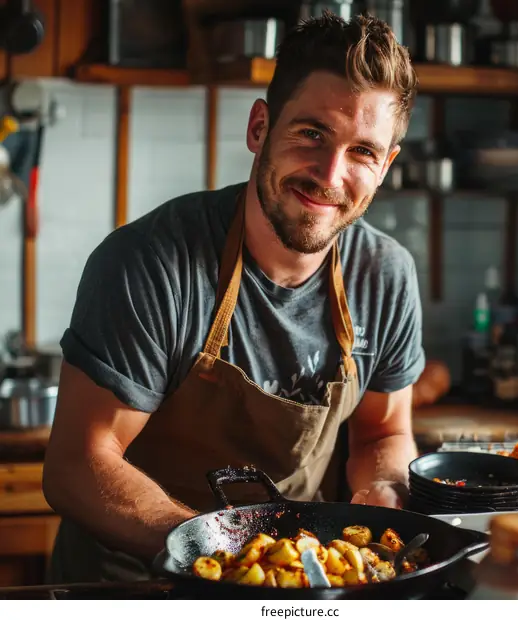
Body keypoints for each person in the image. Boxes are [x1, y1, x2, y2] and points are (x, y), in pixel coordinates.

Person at [42, 11, 425, 583]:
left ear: (387, 165)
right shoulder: (150, 264)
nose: (330, 174)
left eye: (363, 152)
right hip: (131, 583)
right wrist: (221, 557)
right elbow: (78, 465)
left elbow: (383, 432)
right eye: (311, 134)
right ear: (259, 128)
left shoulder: (385, 276)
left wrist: (384, 486)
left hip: (299, 581)